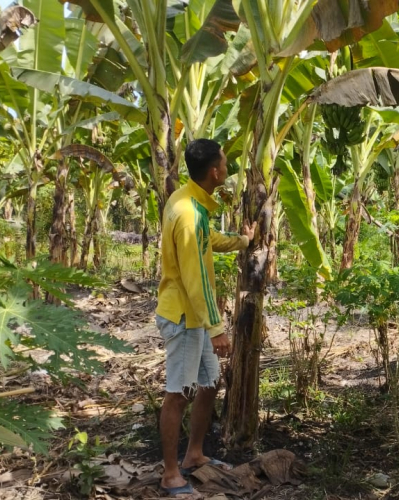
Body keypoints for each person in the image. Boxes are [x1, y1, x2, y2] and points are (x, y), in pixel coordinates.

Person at [155, 139, 256, 496]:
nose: (227, 169)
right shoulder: (188, 213)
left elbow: (206, 239)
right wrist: (217, 329)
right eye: (226, 164)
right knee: (178, 394)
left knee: (210, 384)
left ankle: (194, 454)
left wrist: (242, 242)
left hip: (192, 313)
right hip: (184, 314)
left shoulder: (188, 199)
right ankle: (170, 473)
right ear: (215, 171)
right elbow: (195, 279)